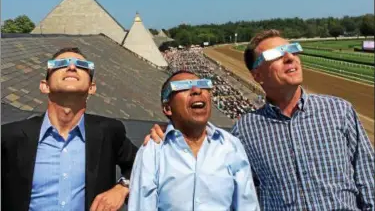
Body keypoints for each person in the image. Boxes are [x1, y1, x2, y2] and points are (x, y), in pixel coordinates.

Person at [145, 30, 375, 210]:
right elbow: (207, 172)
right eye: (276, 55)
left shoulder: (339, 110)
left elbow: (368, 179)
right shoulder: (244, 131)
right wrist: (172, 130)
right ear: (257, 75)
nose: (289, 57)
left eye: (293, 50)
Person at [2, 47, 138, 211]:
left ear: (91, 87)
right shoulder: (9, 136)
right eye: (60, 64)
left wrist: (123, 187)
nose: (72, 67)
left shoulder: (109, 132)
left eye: (82, 65)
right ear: (44, 86)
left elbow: (143, 164)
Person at [128, 70, 260, 211]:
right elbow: (141, 206)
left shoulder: (231, 145)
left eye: (203, 85)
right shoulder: (153, 150)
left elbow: (247, 205)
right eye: (183, 87)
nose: (196, 90)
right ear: (167, 108)